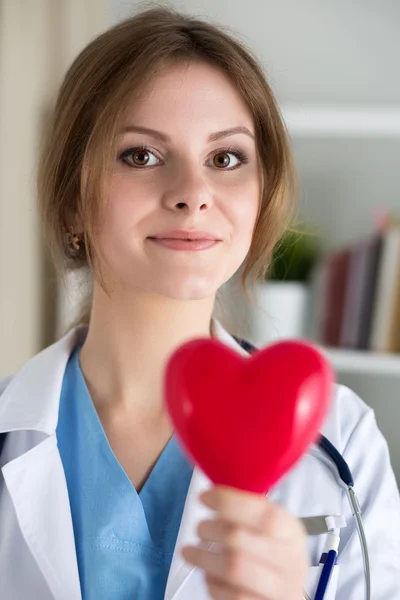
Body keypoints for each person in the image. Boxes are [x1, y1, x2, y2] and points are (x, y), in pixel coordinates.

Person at [0, 6, 399, 600]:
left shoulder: (344, 437)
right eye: (140, 155)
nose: (193, 193)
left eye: (226, 158)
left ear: (262, 196)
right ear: (71, 203)